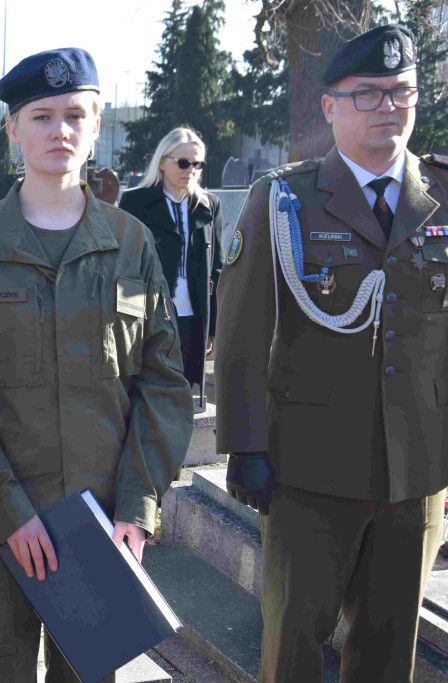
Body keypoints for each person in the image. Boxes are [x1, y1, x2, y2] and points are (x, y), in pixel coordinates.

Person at [0, 48, 193, 682]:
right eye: (41, 116)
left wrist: (137, 505)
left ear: (97, 125)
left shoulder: (130, 243)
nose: (60, 131)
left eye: (75, 114)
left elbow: (162, 381)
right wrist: (11, 510)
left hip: (100, 526)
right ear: (12, 128)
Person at [216, 24, 448, 682]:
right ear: (331, 107)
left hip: (416, 474)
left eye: (400, 93)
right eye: (368, 94)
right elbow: (239, 334)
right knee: (293, 644)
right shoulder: (284, 200)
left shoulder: (442, 199)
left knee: (387, 649)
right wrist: (245, 445)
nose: (388, 108)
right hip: (309, 474)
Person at [119, 127, 223, 402]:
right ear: (163, 162)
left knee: (185, 391)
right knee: (149, 389)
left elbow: (217, 269)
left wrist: (213, 326)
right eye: (184, 162)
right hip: (150, 316)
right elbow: (126, 267)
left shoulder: (209, 206)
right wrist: (129, 322)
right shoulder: (135, 203)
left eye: (197, 164)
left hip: (193, 316)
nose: (191, 169)